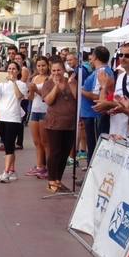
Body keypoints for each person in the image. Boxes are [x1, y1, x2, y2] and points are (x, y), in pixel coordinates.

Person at [41, 58, 80, 194]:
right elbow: (48, 101)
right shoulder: (48, 83)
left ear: (64, 70)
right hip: (54, 123)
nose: (56, 73)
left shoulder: (71, 82)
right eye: (54, 70)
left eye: (59, 70)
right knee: (55, 151)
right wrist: (57, 87)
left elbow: (78, 98)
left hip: (70, 123)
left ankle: (58, 179)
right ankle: (51, 180)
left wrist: (72, 84)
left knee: (65, 153)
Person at [0, 61, 28, 182]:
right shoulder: (2, 84)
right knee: (8, 145)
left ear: (18, 71)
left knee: (9, 147)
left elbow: (18, 96)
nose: (11, 71)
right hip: (2, 118)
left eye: (13, 69)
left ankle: (6, 172)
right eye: (9, 69)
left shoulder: (21, 84)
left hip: (14, 118)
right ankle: (12, 170)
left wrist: (13, 82)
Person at [79, 46, 111, 160]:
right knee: (92, 146)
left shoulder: (101, 72)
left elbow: (97, 96)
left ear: (95, 57)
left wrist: (80, 90)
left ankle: (91, 172)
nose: (90, 59)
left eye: (91, 56)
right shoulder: (99, 71)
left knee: (94, 147)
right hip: (90, 115)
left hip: (94, 115)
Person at [25, 55, 50, 178]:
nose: (41, 68)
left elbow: (47, 98)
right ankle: (40, 166)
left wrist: (36, 90)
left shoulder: (49, 79)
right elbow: (30, 98)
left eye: (43, 65)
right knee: (37, 142)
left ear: (47, 66)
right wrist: (31, 90)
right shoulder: (34, 78)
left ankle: (49, 167)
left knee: (45, 141)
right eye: (39, 66)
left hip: (45, 112)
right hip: (34, 110)